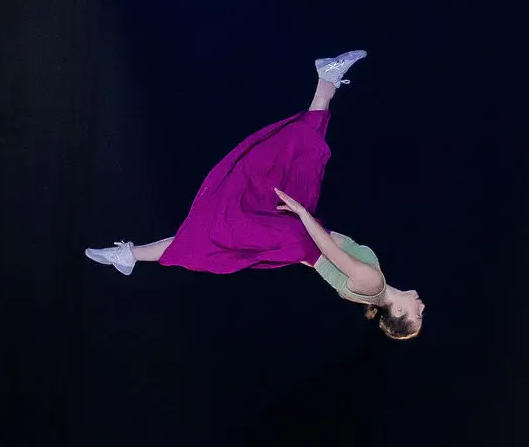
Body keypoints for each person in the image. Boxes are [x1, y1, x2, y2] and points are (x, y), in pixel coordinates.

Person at [84, 50, 425, 339]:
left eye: (417, 314)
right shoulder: (372, 290)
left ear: (397, 312)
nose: (421, 306)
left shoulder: (374, 285)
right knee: (302, 161)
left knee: (222, 225)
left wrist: (301, 214)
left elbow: (331, 252)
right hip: (299, 238)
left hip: (301, 237)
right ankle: (327, 80)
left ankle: (129, 255)